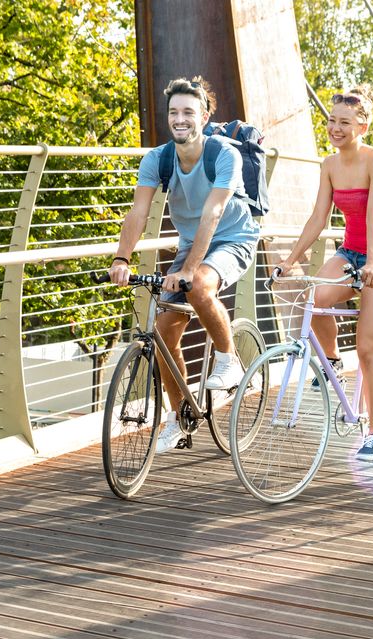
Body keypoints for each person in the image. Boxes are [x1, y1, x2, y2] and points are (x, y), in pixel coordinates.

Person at [108, 76, 259, 454]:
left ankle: (229, 360)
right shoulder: (156, 159)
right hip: (193, 243)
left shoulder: (224, 155)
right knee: (162, 333)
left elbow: (214, 213)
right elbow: (138, 213)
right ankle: (180, 416)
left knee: (201, 287)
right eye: (174, 112)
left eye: (188, 112)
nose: (180, 119)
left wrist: (189, 271)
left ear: (204, 117)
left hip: (232, 238)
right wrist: (121, 258)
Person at [277, 86, 373, 464]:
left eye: (344, 122)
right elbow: (319, 218)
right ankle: (332, 362)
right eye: (332, 120)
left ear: (363, 125)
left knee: (368, 348)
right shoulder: (329, 164)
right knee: (313, 298)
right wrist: (290, 260)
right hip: (351, 251)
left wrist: (372, 262)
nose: (335, 128)